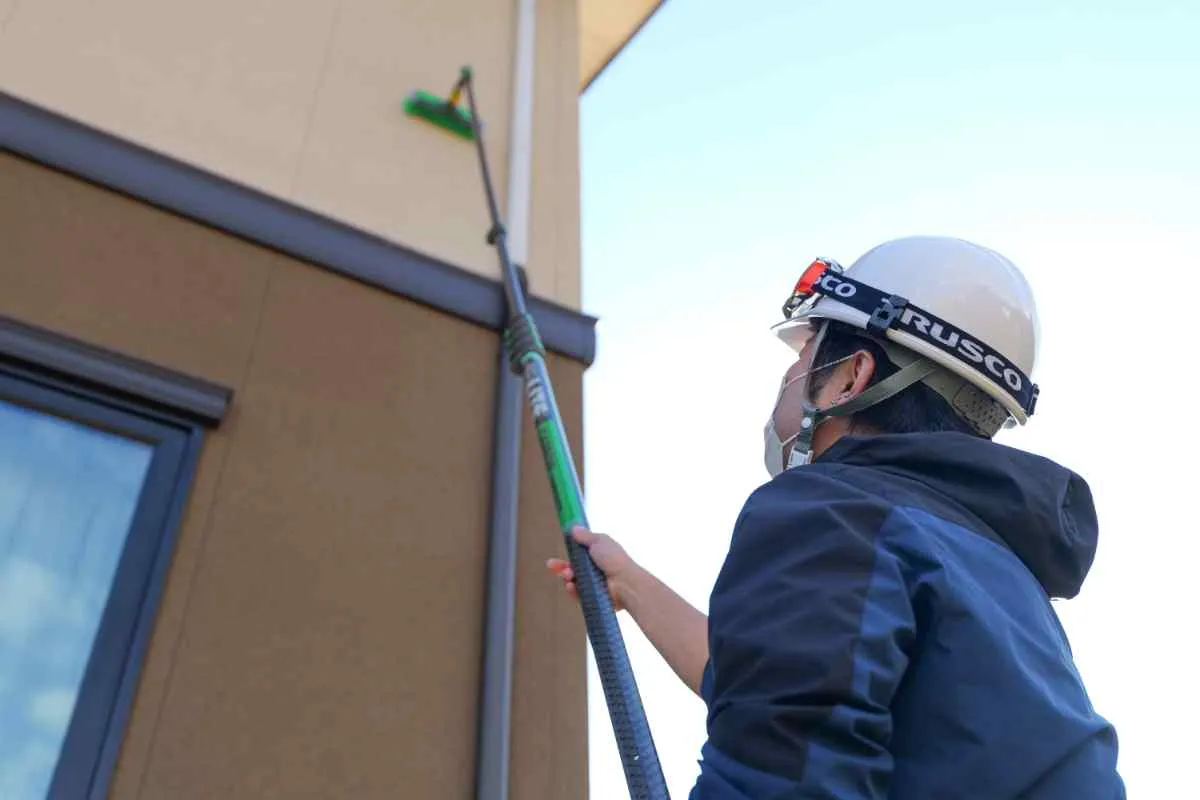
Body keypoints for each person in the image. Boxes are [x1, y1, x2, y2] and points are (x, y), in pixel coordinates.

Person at [548, 236, 1125, 798]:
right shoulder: (996, 575)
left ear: (852, 375)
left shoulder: (832, 512)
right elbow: (782, 687)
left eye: (804, 355)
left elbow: (785, 769)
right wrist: (631, 584)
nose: (789, 376)